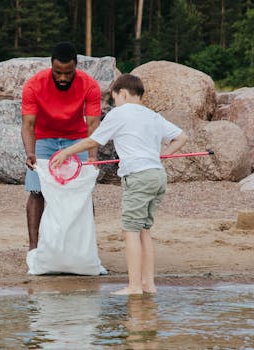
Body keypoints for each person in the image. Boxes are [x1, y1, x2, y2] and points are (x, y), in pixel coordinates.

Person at [51, 74, 188, 295]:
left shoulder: (119, 114)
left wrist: (65, 152)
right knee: (144, 230)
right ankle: (148, 285)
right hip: (157, 176)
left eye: (114, 98)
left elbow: (93, 141)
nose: (114, 103)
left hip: (138, 176)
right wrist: (162, 155)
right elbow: (181, 137)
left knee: (130, 231)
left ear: (122, 93)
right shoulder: (153, 116)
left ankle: (134, 286)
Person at [21, 42, 102, 251]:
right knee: (36, 190)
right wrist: (30, 152)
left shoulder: (89, 84)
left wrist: (92, 156)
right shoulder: (34, 84)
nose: (63, 78)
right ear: (51, 66)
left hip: (77, 140)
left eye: (68, 73)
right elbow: (28, 124)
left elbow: (93, 124)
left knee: (82, 192)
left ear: (76, 66)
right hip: (44, 139)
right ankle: (33, 248)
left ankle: (84, 246)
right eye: (58, 73)